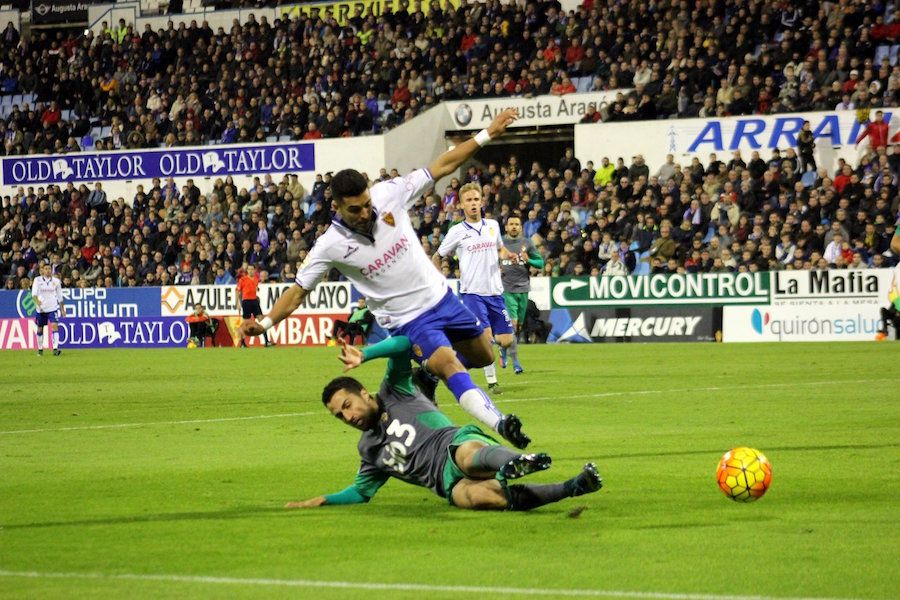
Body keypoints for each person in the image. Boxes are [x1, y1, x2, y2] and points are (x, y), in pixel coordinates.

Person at [241, 108, 531, 449]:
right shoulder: (330, 246)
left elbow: (443, 165)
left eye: (366, 204)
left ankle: (425, 373)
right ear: (337, 206)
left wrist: (488, 134)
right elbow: (298, 292)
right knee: (450, 365)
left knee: (484, 356)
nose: (366, 213)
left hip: (441, 298)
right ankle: (501, 424)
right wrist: (264, 323)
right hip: (408, 319)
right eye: (355, 210)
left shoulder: (388, 194)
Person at [284, 337, 602, 511]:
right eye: (340, 415)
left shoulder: (394, 389)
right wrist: (325, 500)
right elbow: (361, 492)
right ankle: (572, 487)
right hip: (446, 483)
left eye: (348, 406)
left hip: (453, 443)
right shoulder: (369, 450)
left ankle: (515, 463)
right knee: (480, 498)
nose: (348, 416)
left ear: (364, 394)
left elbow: (404, 343)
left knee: (467, 457)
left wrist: (365, 354)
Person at [433, 183, 517, 393]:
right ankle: (492, 382)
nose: (473, 204)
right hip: (473, 293)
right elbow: (438, 256)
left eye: (476, 200)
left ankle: (457, 360)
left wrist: (509, 255)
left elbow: (500, 248)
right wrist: (437, 279)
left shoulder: (493, 225)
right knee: (487, 339)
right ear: (461, 205)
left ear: (482, 202)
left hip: (495, 292)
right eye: (468, 200)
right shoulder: (457, 231)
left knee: (506, 340)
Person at [498, 211, 544, 373]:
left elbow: (541, 263)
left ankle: (503, 348)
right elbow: (489, 261)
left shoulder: (527, 243)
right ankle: (516, 362)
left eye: (517, 224)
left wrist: (528, 260)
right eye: (511, 224)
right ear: (506, 227)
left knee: (517, 328)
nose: (514, 227)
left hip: (523, 288)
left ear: (521, 227)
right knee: (513, 323)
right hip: (506, 289)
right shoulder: (500, 243)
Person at [31, 259, 65, 356]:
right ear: (42, 270)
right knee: (40, 329)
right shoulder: (37, 280)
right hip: (41, 309)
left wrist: (62, 309)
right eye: (46, 269)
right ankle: (40, 349)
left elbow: (60, 296)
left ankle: (55, 349)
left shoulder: (56, 281)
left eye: (49, 269)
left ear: (51, 270)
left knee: (54, 326)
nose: (48, 271)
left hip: (52, 308)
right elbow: (34, 295)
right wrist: (38, 304)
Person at [236, 264, 272, 347]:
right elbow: (237, 291)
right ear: (247, 271)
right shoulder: (243, 279)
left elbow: (254, 288)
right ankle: (242, 343)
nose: (251, 271)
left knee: (262, 321)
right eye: (249, 269)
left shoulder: (256, 279)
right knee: (245, 324)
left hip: (254, 301)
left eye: (252, 269)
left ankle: (266, 341)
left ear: (255, 270)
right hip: (246, 302)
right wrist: (237, 303)